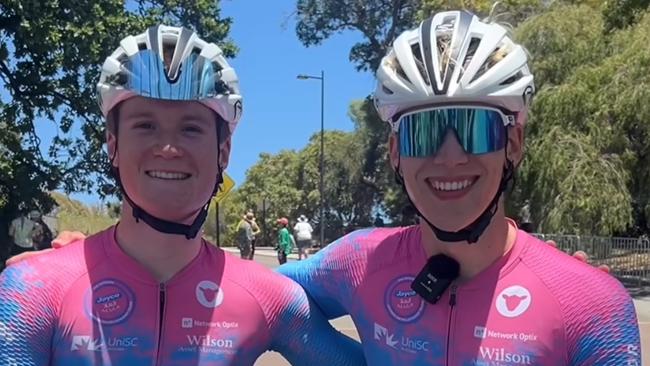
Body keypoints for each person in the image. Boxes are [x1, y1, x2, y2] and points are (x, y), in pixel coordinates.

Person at [276, 11, 640, 365]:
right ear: (395, 152)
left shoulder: (593, 303)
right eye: (424, 132)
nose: (450, 157)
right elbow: (252, 296)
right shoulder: (360, 261)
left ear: (512, 143)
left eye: (475, 127)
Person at [0, 25, 364, 365]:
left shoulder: (267, 295)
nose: (168, 148)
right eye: (145, 125)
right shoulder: (32, 289)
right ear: (113, 144)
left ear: (223, 152)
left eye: (191, 128)